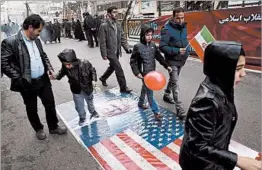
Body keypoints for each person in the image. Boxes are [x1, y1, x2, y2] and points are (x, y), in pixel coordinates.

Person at [179, 41, 261, 170]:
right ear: (222, 69)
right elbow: (197, 146)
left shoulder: (224, 85)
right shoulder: (207, 101)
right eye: (238, 69)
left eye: (243, 68)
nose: (244, 74)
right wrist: (238, 160)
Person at [1, 14, 67, 140]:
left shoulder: (36, 40)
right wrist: (20, 78)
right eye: (39, 30)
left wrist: (49, 68)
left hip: (43, 80)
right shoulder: (10, 42)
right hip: (27, 83)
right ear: (30, 28)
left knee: (50, 104)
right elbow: (4, 64)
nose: (40, 34)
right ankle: (38, 128)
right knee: (31, 108)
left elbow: (43, 55)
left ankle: (53, 126)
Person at [130, 24, 172, 121]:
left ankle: (140, 103)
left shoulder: (153, 45)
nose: (149, 37)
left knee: (145, 88)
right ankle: (156, 112)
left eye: (151, 35)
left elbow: (159, 57)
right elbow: (133, 62)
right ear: (142, 35)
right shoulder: (137, 47)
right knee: (150, 94)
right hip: (144, 75)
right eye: (147, 35)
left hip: (153, 74)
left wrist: (167, 66)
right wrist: (137, 73)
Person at [53, 49, 99, 126]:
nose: (67, 66)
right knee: (79, 106)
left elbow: (93, 71)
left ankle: (93, 111)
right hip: (76, 90)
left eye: (68, 64)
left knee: (90, 102)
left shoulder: (85, 63)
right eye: (65, 64)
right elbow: (60, 73)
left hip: (88, 88)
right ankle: (82, 117)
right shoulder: (65, 67)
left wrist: (94, 80)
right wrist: (54, 77)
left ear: (73, 61)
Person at [159, 7, 189, 119]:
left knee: (173, 79)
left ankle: (167, 94)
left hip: (181, 59)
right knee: (176, 83)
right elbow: (162, 47)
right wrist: (176, 50)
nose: (180, 20)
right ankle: (179, 108)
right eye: (178, 18)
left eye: (182, 17)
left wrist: (188, 49)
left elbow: (184, 40)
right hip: (172, 60)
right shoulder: (166, 29)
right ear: (173, 17)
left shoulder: (184, 26)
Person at [99, 6, 133, 93]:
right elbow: (102, 41)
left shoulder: (118, 24)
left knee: (112, 67)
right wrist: (104, 54)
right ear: (109, 14)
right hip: (110, 52)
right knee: (119, 69)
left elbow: (122, 38)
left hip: (117, 51)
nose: (116, 14)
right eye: (114, 12)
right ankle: (123, 87)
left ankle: (103, 78)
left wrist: (127, 48)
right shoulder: (104, 26)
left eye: (117, 12)